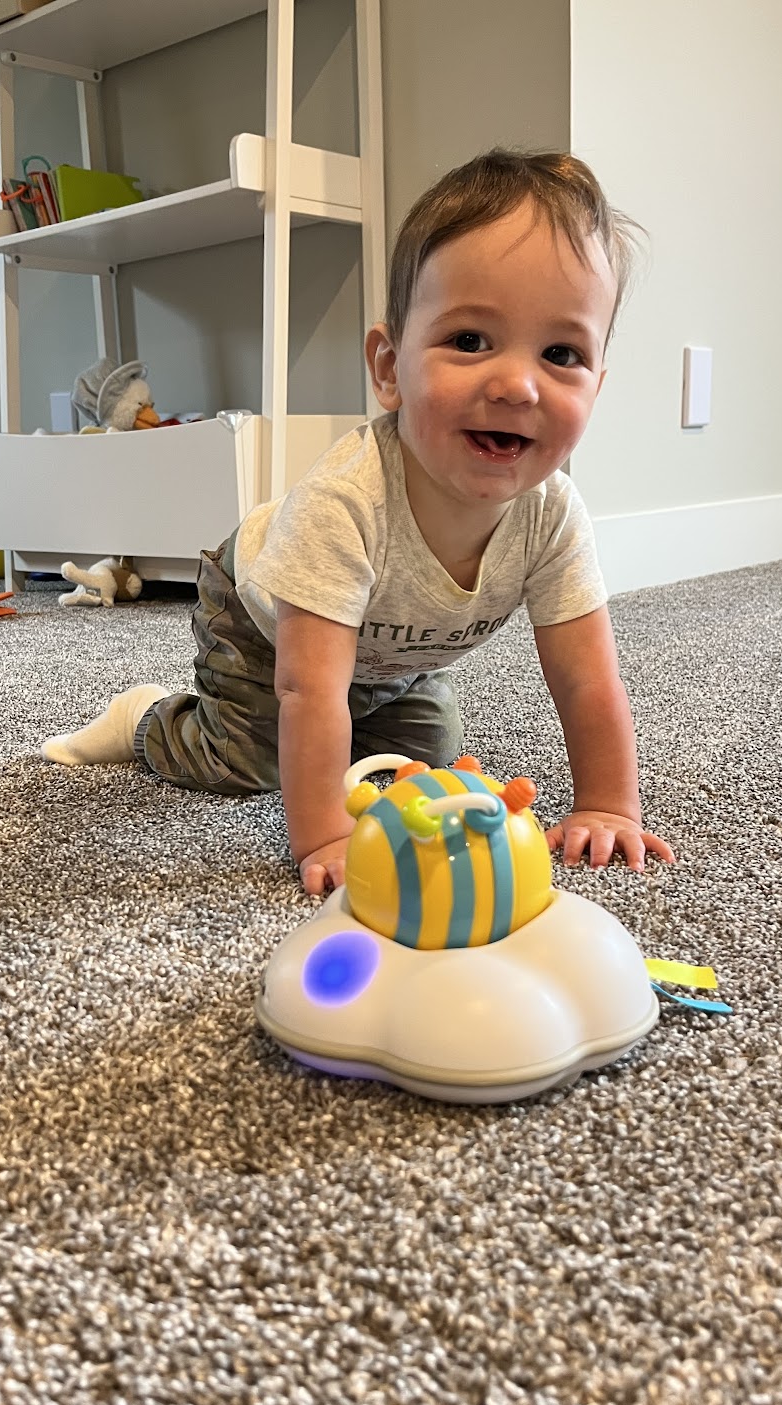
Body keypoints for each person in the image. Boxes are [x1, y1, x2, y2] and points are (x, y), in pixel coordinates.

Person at [43, 148, 676, 894]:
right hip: (264, 621)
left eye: (561, 353)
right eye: (470, 341)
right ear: (388, 367)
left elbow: (587, 679)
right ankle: (152, 717)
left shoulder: (553, 520)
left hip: (388, 660)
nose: (515, 384)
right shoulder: (345, 505)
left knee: (429, 752)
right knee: (255, 760)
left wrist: (608, 804)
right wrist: (327, 835)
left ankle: (344, 727)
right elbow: (308, 688)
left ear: (596, 387)